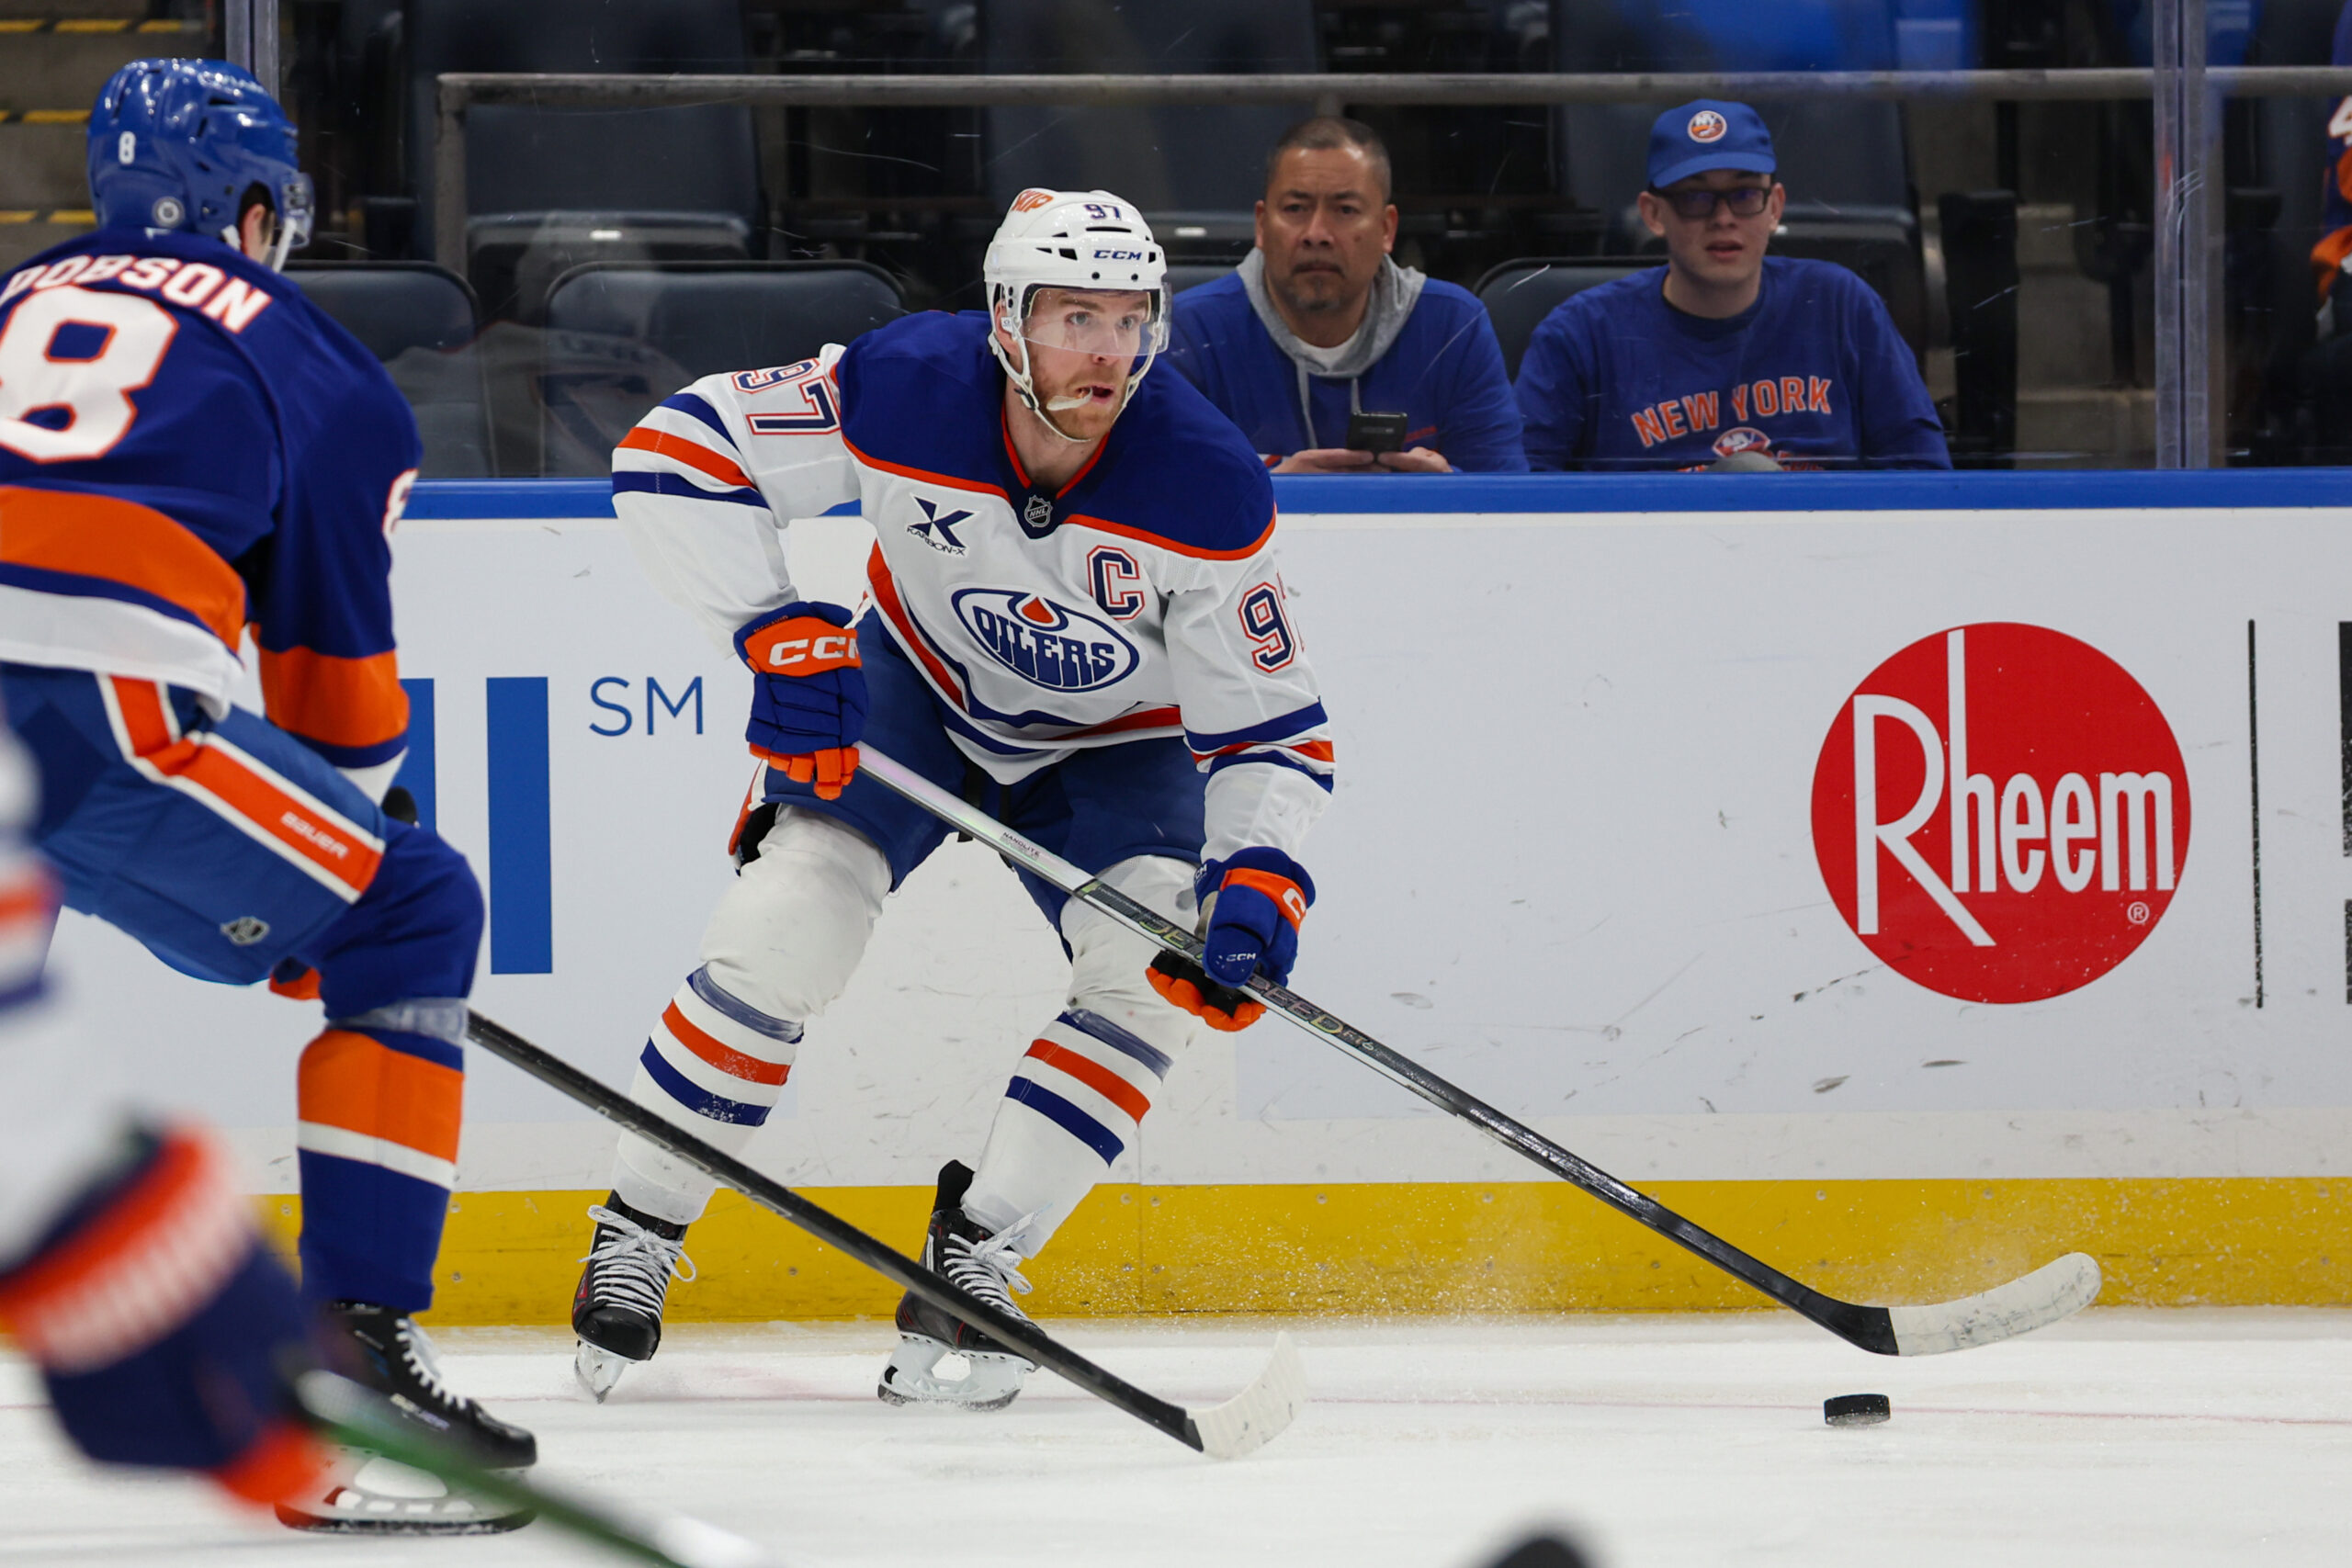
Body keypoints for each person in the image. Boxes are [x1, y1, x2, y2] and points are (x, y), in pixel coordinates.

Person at [571, 187, 1334, 1410]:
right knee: (787, 924)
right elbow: (675, 451)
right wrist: (770, 628)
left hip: (1113, 745)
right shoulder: (905, 385)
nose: (1107, 350)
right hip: (912, 688)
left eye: (1130, 318)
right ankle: (639, 1226)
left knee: (1146, 975)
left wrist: (1258, 873)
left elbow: (1272, 728)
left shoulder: (1207, 485)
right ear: (1006, 319)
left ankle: (972, 1261)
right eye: (1075, 317)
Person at [0, 60, 532, 1529]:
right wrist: (337, 888)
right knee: (410, 909)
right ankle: (354, 1389)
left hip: (44, 714)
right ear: (254, 209)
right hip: (83, 703)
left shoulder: (16, 294)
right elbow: (332, 681)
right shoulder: (310, 356)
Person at [1515, 100, 1949, 471]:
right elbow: (1520, 496)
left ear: (1774, 207)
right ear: (1653, 214)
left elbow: (1924, 474)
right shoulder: (1581, 335)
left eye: (1744, 195)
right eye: (1694, 198)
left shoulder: (1841, 305)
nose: (1723, 218)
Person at [1166, 117, 1527, 473]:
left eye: (1345, 210)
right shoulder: (1188, 331)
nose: (1317, 234)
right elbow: (1159, 490)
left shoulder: (1454, 325)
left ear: (1386, 229)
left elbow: (1508, 493)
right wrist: (1273, 492)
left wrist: (1440, 489)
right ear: (1261, 225)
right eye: (1295, 209)